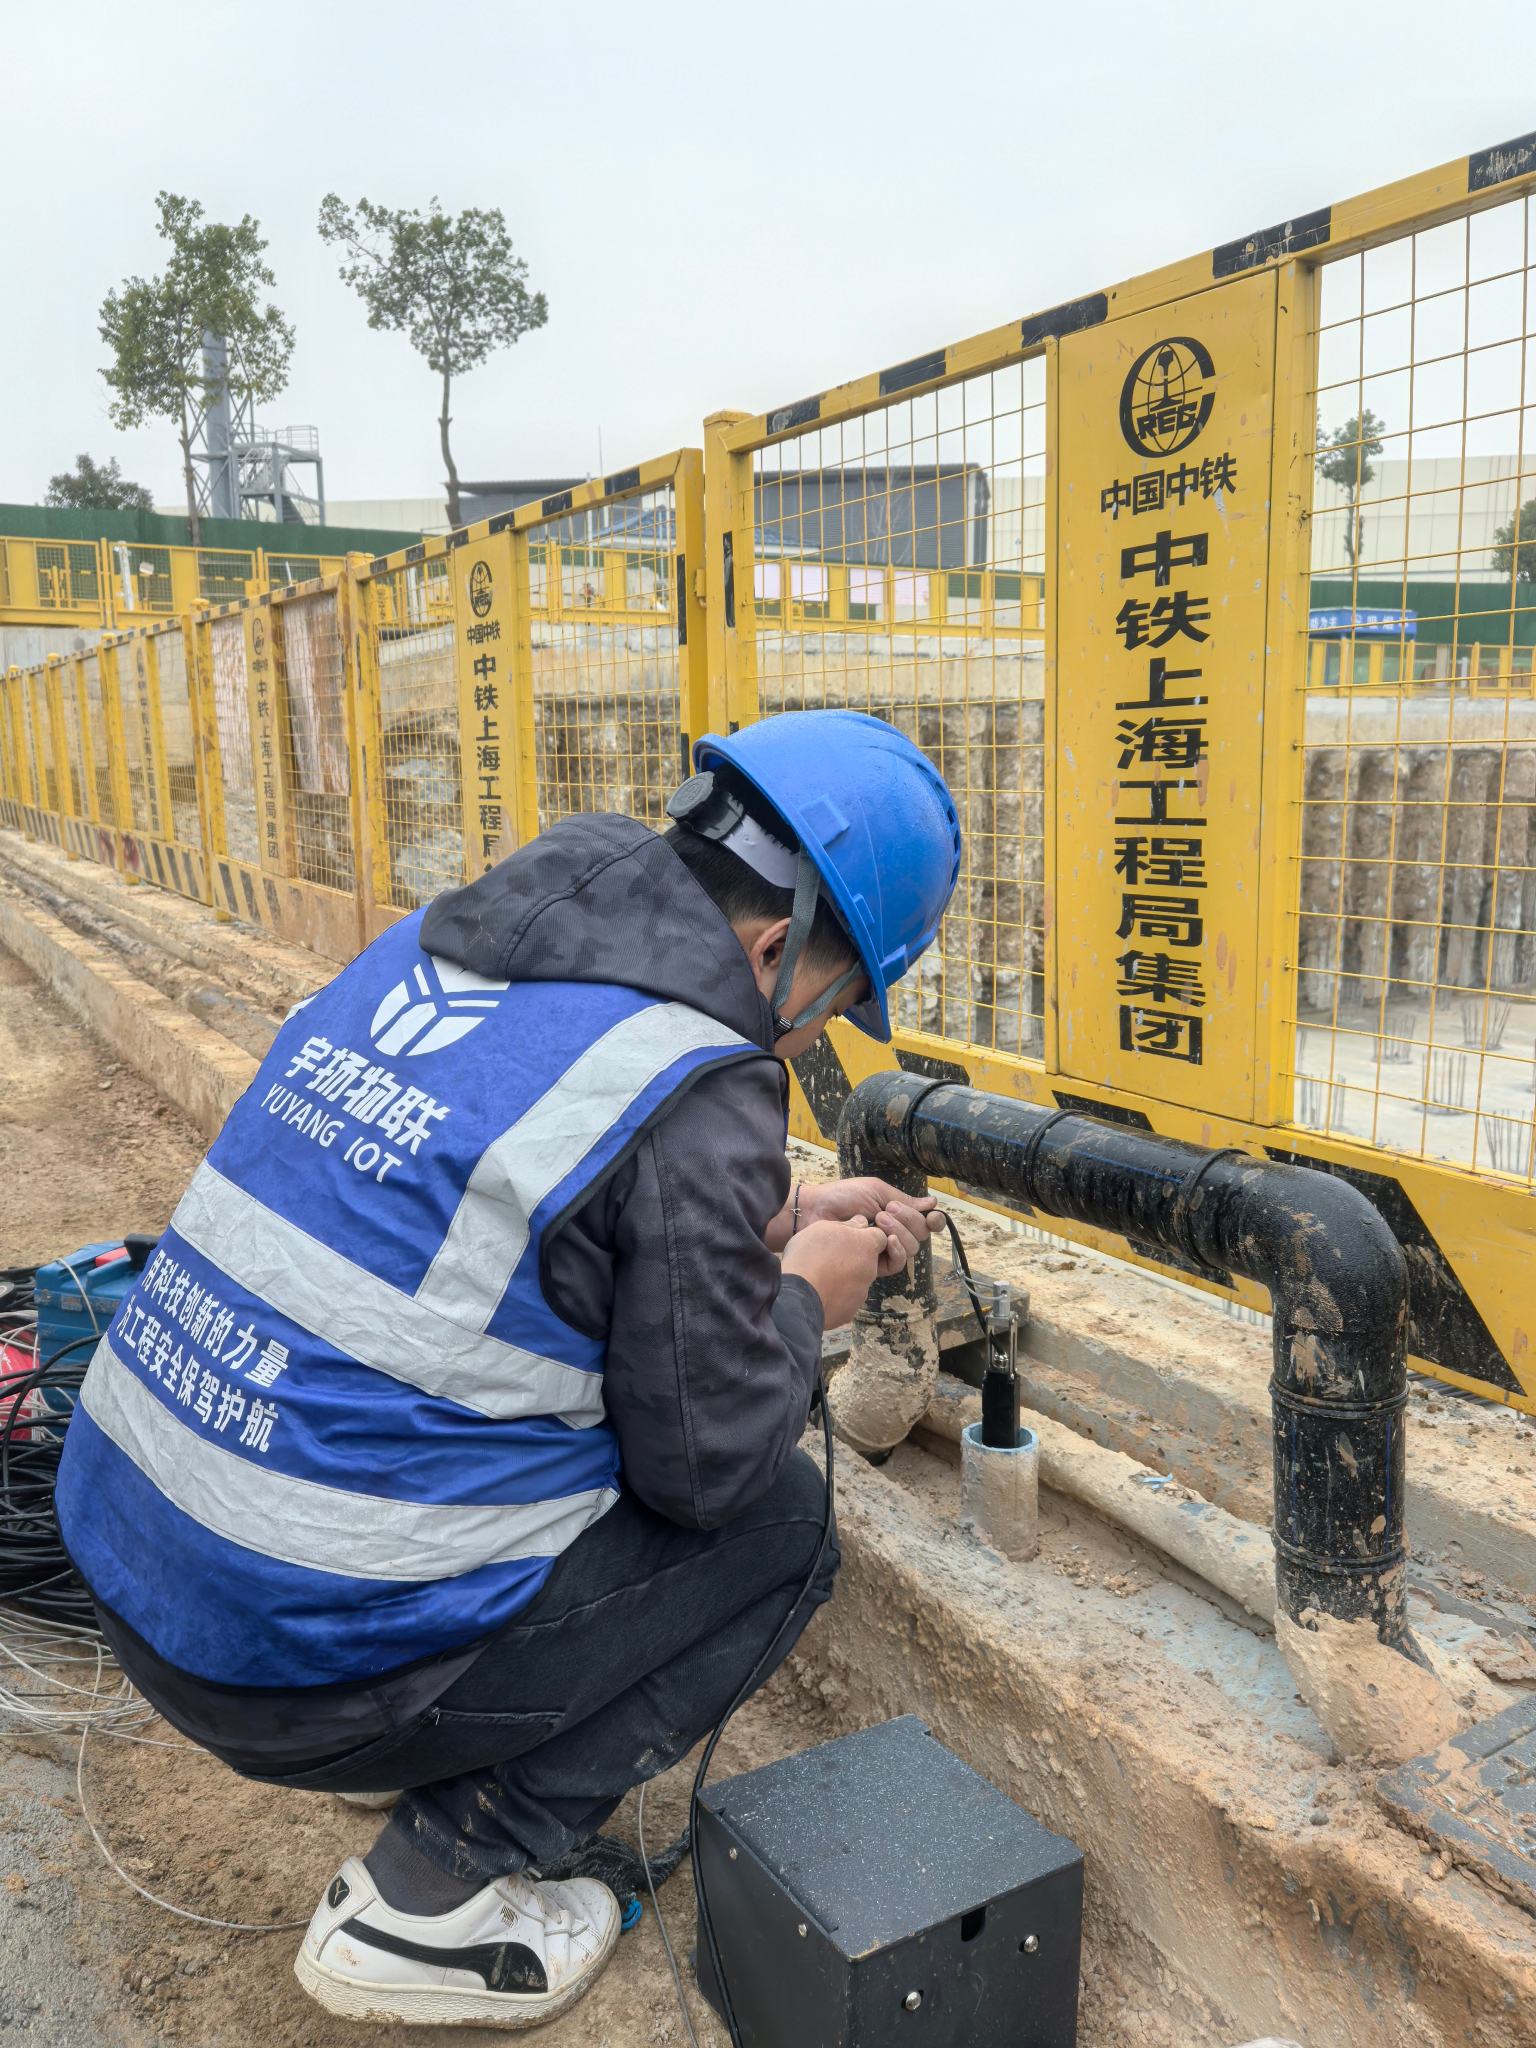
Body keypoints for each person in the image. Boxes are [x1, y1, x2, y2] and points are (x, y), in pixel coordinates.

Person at [55, 708, 961, 2030]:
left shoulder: (429, 951)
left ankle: (415, 1730)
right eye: (826, 1010)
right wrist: (801, 1299)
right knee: (780, 1528)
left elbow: (520, 1221)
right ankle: (442, 1887)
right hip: (282, 1664)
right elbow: (704, 1466)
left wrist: (765, 1229)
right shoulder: (700, 1085)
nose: (809, 1040)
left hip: (137, 1557)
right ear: (775, 951)